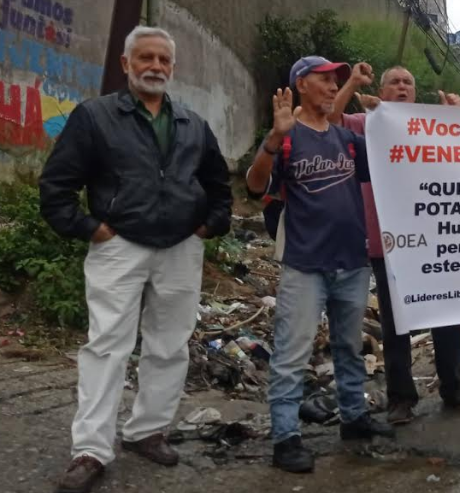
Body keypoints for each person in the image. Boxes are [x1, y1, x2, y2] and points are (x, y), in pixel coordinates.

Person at [39, 26, 233, 493]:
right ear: (126, 64)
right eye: (145, 58)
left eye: (163, 60)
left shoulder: (191, 122)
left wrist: (211, 223)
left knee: (170, 345)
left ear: (173, 68)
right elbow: (56, 186)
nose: (155, 67)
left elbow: (218, 183)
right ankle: (90, 450)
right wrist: (91, 228)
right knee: (106, 347)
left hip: (181, 247)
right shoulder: (95, 117)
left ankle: (148, 430)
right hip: (119, 246)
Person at [246, 56, 393, 475]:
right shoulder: (287, 138)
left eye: (335, 82)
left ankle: (353, 418)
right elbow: (255, 187)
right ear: (301, 85)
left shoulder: (346, 140)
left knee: (348, 348)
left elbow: (390, 162)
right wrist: (273, 141)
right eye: (324, 81)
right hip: (305, 266)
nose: (333, 87)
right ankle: (286, 438)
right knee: (292, 355)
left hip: (352, 262)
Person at [333, 65, 460, 425]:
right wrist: (352, 84)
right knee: (397, 323)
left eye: (407, 83)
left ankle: (454, 386)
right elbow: (329, 120)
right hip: (389, 243)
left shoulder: (433, 124)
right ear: (381, 90)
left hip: (436, 241)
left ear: (416, 92)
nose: (401, 87)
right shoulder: (366, 123)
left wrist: (455, 118)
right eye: (394, 82)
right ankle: (401, 398)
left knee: (446, 314)